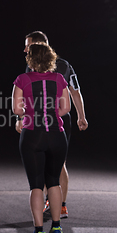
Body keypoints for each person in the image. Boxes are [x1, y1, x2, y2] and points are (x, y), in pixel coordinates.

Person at [17, 31, 88, 219]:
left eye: (27, 45)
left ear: (38, 45)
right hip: (60, 117)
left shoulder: (31, 66)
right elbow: (75, 92)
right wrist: (81, 116)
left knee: (44, 163)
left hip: (41, 118)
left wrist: (21, 119)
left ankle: (51, 206)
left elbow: (25, 97)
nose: (24, 49)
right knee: (58, 163)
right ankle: (60, 205)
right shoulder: (65, 65)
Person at [12, 42, 71, 233]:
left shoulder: (22, 79)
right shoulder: (59, 78)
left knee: (36, 184)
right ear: (50, 59)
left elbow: (17, 110)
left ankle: (38, 232)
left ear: (31, 59)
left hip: (32, 134)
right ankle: (56, 227)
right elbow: (65, 108)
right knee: (53, 181)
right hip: (56, 135)